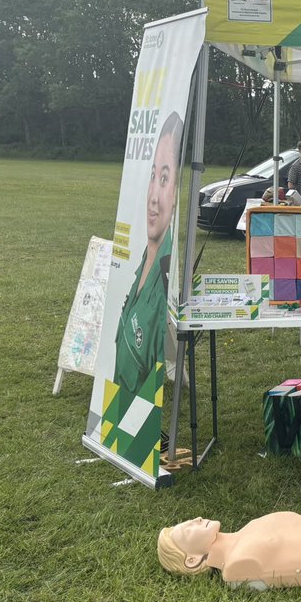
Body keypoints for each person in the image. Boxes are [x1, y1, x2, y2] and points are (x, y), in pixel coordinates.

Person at [113, 111, 182, 402]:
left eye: (165, 179)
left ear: (178, 190)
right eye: (154, 175)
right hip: (116, 417)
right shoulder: (140, 260)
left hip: (132, 426)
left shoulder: (165, 276)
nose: (154, 195)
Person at [157, 513, 301, 588]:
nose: (196, 519)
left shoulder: (248, 530)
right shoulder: (238, 563)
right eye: (188, 529)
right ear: (192, 560)